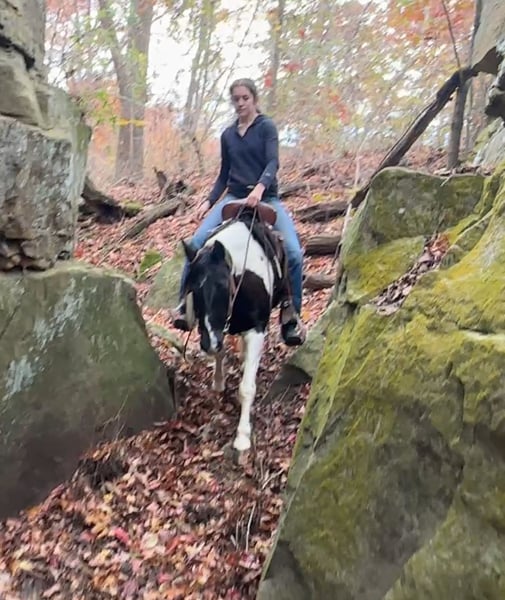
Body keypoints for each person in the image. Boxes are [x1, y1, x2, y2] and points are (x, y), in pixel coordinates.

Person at [173, 77, 305, 346]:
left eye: (245, 98)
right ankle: (184, 305)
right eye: (236, 99)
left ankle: (291, 315)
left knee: (293, 252)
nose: (241, 103)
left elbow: (273, 162)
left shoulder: (266, 127)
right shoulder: (228, 135)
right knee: (196, 245)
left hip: (266, 197)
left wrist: (259, 189)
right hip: (234, 196)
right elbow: (224, 175)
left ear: (254, 99)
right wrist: (209, 201)